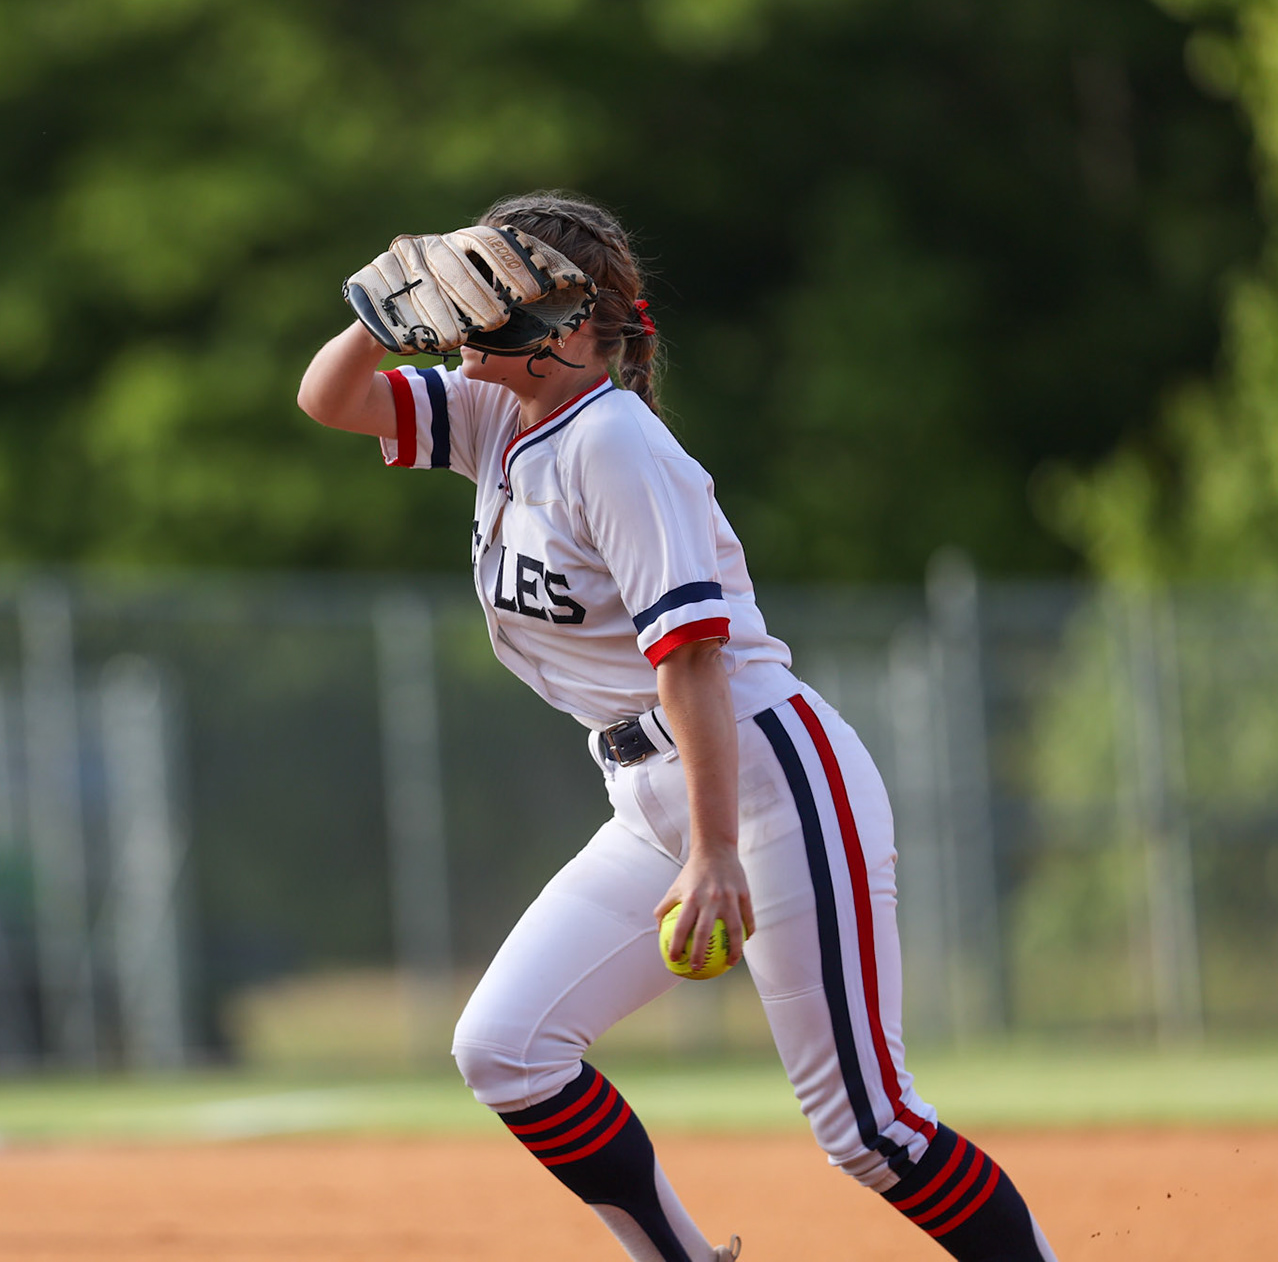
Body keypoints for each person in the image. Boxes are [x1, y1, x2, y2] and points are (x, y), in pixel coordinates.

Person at [296, 192, 1058, 1262]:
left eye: (491, 291)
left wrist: (713, 849)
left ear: (562, 327)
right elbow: (330, 399)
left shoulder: (615, 443)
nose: (466, 313)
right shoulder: (496, 413)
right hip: (649, 788)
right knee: (507, 1047)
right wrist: (381, 318)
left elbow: (690, 659)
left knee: (870, 1126)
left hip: (767, 778)